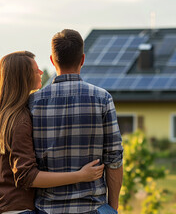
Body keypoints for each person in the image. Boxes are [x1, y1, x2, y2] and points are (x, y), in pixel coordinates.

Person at [0, 51, 105, 214]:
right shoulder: (20, 118)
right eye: (35, 70)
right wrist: (80, 175)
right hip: (17, 209)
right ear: (22, 78)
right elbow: (27, 176)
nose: (41, 72)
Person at [29, 29, 123, 214]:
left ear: (52, 60)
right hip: (92, 207)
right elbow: (114, 160)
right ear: (82, 59)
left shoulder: (32, 103)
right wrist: (112, 207)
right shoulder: (102, 99)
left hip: (46, 209)